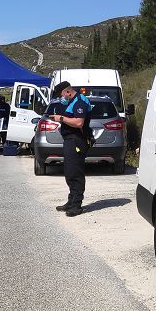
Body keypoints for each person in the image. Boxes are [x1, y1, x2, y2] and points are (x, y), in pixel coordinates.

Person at [50, 81, 93, 216]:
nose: (61, 98)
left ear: (67, 91)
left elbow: (79, 122)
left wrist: (61, 118)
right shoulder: (71, 101)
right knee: (70, 172)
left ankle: (76, 205)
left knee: (75, 172)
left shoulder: (79, 101)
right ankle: (71, 201)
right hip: (70, 140)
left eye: (61, 95)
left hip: (77, 140)